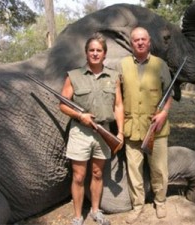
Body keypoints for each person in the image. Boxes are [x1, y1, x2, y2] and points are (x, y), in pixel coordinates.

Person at [59, 33, 124, 225]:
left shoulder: (113, 76)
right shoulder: (74, 76)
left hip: (104, 132)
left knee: (97, 174)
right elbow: (62, 104)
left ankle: (96, 211)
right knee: (79, 176)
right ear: (86, 53)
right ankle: (78, 217)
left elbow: (118, 105)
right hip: (80, 132)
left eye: (99, 50)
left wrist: (119, 132)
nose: (95, 53)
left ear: (104, 54)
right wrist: (81, 116)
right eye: (91, 50)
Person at [118, 27, 173, 224]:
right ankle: (137, 206)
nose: (140, 42)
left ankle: (160, 201)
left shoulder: (161, 65)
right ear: (131, 43)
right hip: (131, 126)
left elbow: (169, 94)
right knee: (134, 170)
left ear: (149, 42)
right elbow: (117, 97)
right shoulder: (122, 65)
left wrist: (164, 114)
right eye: (136, 40)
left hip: (156, 128)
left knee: (159, 169)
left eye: (143, 39)